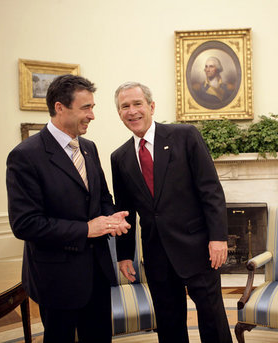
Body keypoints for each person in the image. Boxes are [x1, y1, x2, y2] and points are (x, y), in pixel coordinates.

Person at [6, 74, 131, 343]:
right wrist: (86, 229)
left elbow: (101, 198)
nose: (93, 116)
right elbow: (25, 224)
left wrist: (111, 217)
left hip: (97, 273)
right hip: (57, 279)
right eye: (86, 108)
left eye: (92, 108)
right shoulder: (25, 156)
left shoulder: (89, 148)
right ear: (60, 108)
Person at [111, 81, 232, 343]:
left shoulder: (185, 136)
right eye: (124, 107)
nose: (132, 111)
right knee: (168, 323)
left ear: (151, 106)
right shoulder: (119, 157)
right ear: (119, 113)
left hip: (199, 248)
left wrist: (218, 238)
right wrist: (123, 255)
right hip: (156, 254)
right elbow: (125, 212)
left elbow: (210, 190)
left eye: (137, 104)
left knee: (212, 318)